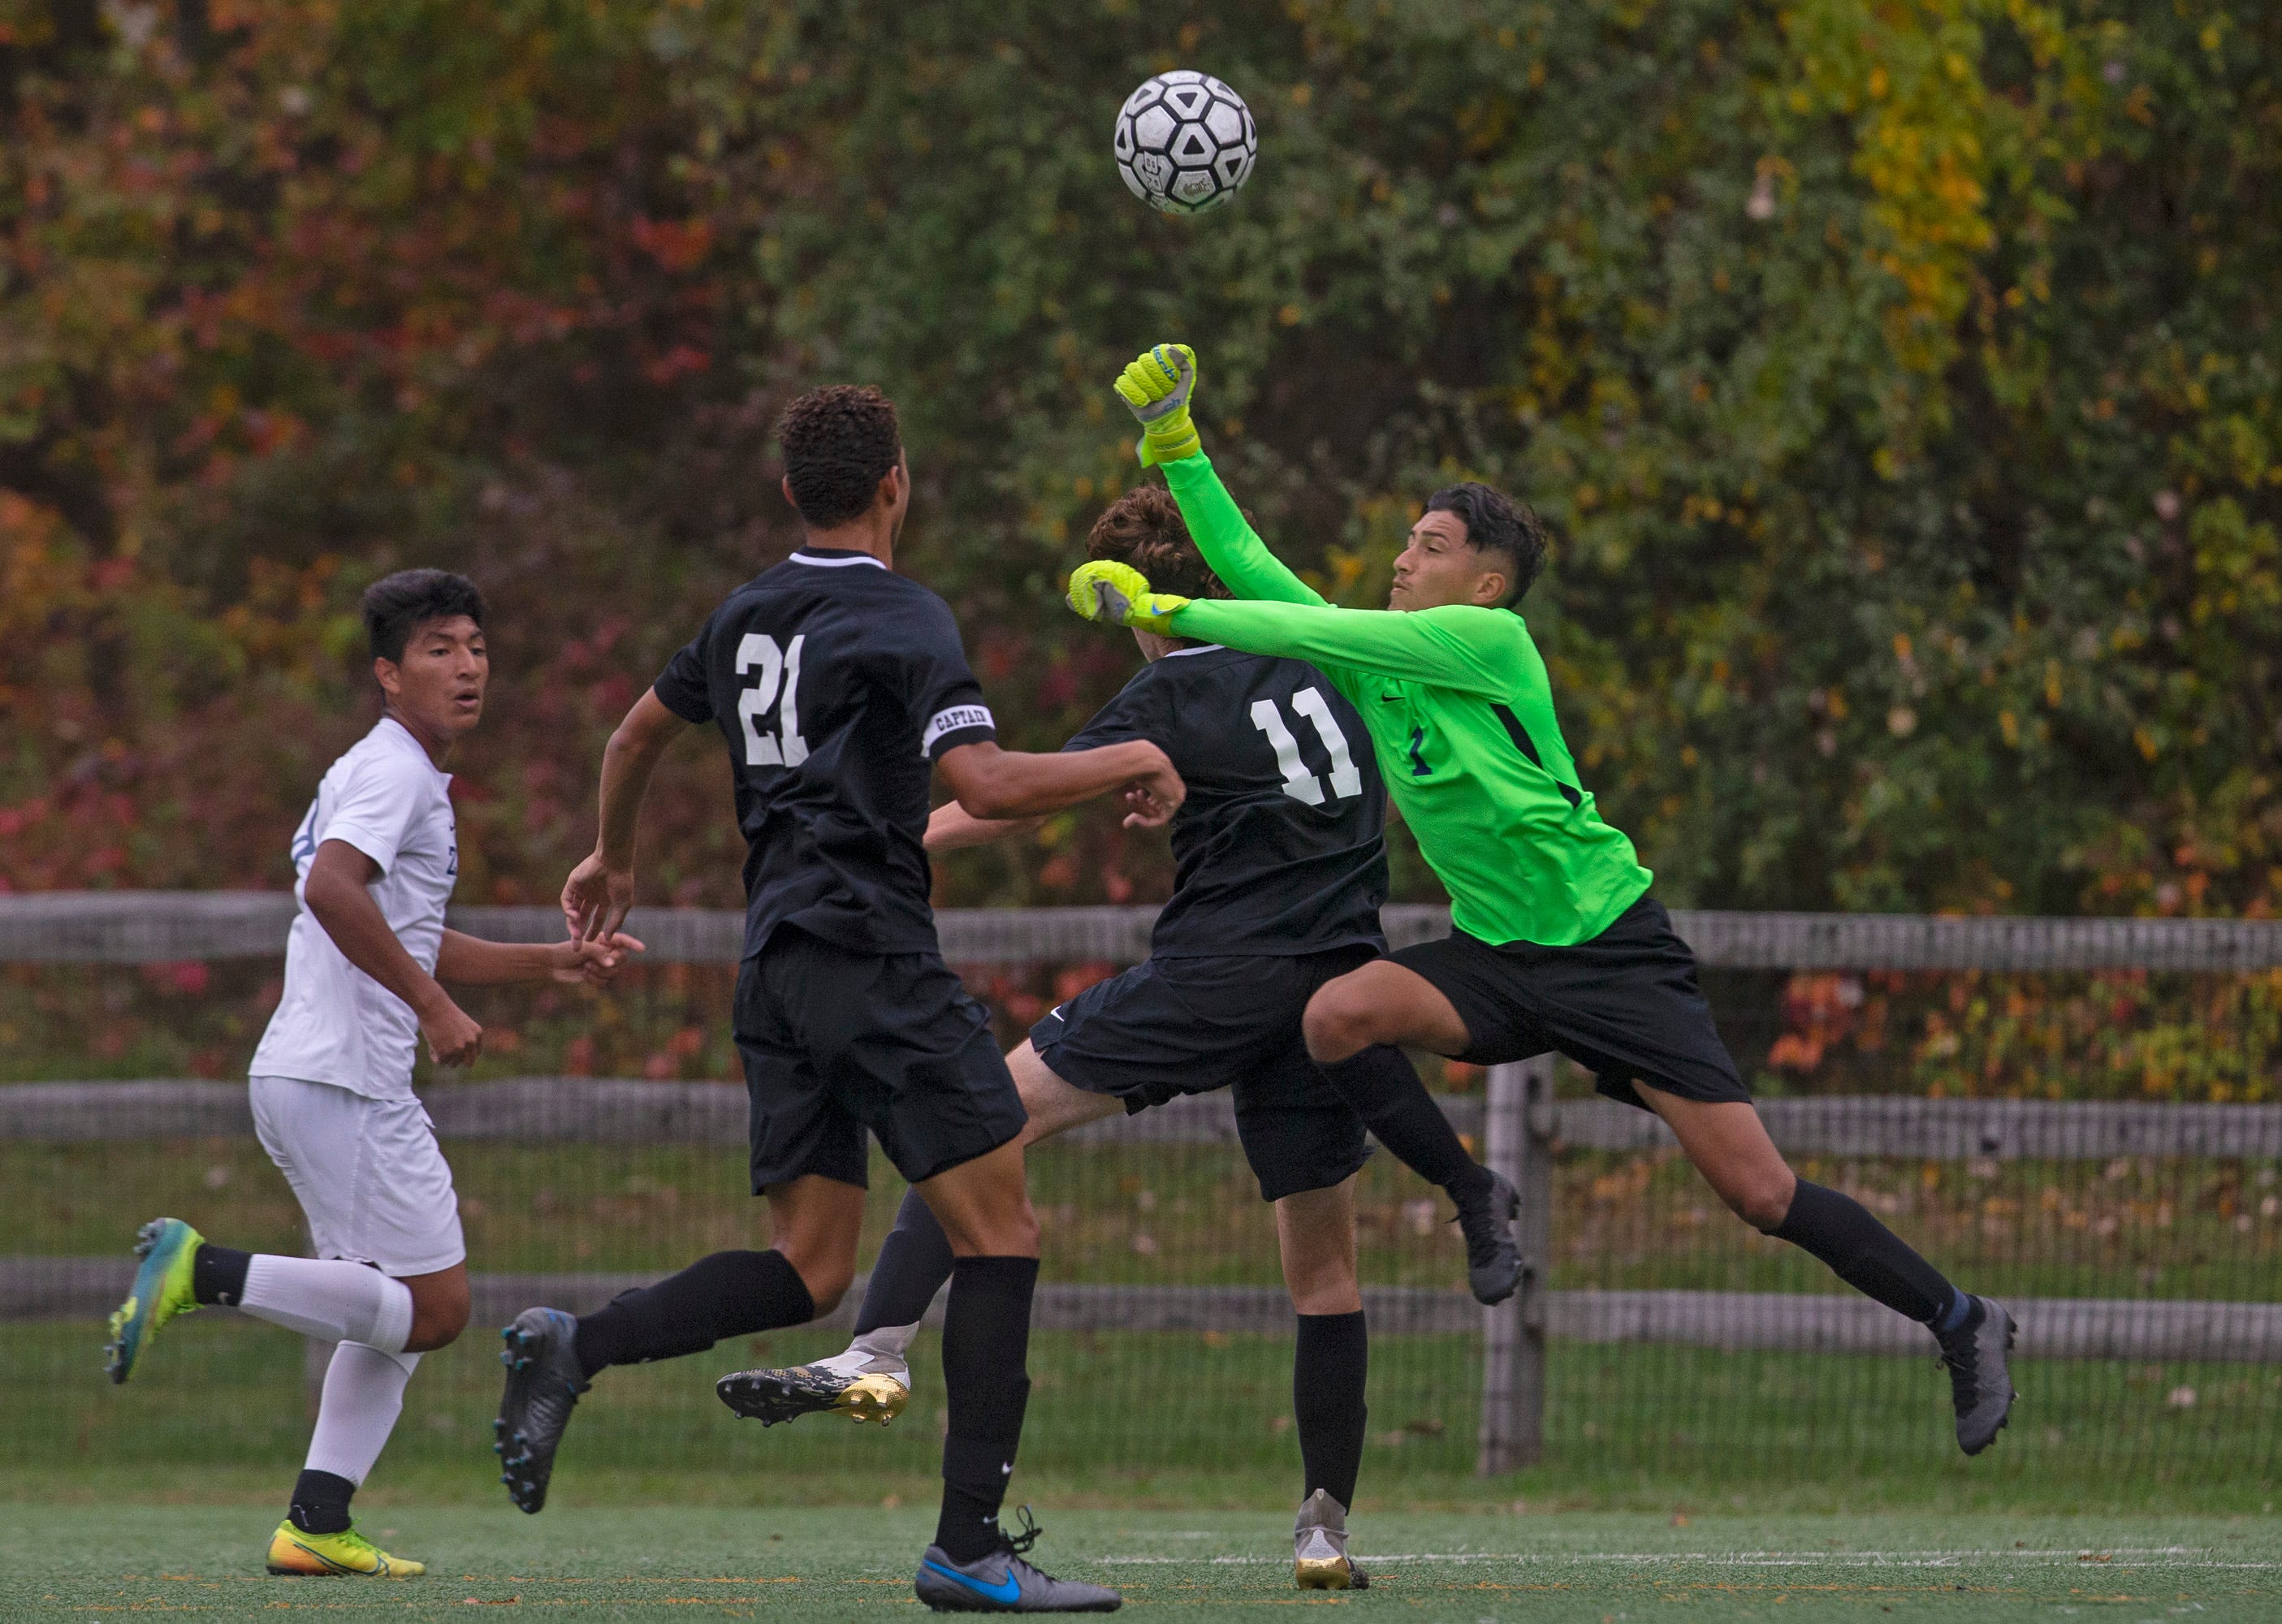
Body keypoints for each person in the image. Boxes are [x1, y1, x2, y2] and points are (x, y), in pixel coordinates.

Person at [1065, 344, 2020, 1458]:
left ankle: (1958, 1318)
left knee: (1757, 1194)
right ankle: (1475, 1196)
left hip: (1609, 950)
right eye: (1405, 541)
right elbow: (1255, 566)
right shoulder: (1383, 666)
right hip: (1499, 956)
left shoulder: (1485, 641)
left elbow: (1289, 624)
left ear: (1484, 582)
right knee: (1334, 1015)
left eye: (1427, 547)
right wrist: (1175, 442)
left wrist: (1163, 604)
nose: (1399, 558)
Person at [720, 484, 1491, 1592]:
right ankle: (1322, 1531)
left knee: (980, 1125)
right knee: (1323, 1275)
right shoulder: (1334, 661)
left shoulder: (1169, 684)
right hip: (1335, 993)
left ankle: (874, 1346)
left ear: (1148, 604)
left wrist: (882, 845)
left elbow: (1012, 806)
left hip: (1213, 981)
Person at [496, 386, 1173, 1613]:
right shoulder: (904, 614)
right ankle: (969, 1550)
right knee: (1000, 1234)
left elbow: (631, 740)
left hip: (778, 969)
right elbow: (986, 781)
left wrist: (613, 855)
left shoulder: (743, 611)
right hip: (870, 960)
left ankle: (574, 1344)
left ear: (789, 493)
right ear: (895, 484)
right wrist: (1130, 753)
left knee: (809, 1271)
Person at [103, 569, 642, 1579]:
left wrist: (549, 960)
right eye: (438, 647)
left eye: (476, 644)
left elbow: (405, 931)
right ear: (389, 673)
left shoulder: (388, 770)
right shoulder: (393, 774)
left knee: (386, 1312)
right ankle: (198, 1268)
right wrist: (433, 1008)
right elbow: (332, 889)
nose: (467, 664)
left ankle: (314, 1519)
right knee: (432, 1309)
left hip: (319, 1076)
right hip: (343, 1078)